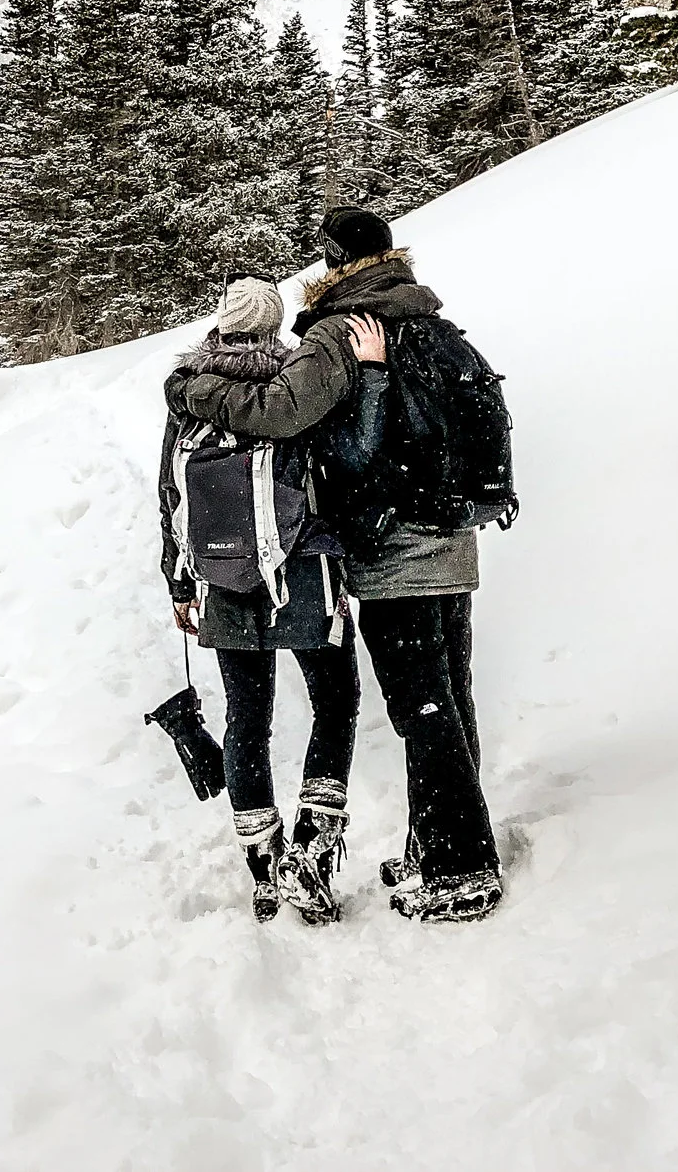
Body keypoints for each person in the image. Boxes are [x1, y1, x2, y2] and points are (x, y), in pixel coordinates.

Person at [175, 208, 503, 925]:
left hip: (393, 551)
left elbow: (285, 412)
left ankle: (461, 868)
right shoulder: (430, 322)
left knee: (423, 709)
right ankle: (435, 841)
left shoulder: (341, 330)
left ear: (332, 262)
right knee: (449, 697)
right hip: (453, 537)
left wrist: (191, 389)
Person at [157, 275, 388, 923]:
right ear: (274, 323)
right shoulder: (293, 386)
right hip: (304, 569)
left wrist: (179, 578)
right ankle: (312, 850)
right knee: (336, 699)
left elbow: (170, 490)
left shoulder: (188, 394)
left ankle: (264, 866)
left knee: (246, 717)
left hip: (224, 578)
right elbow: (342, 468)